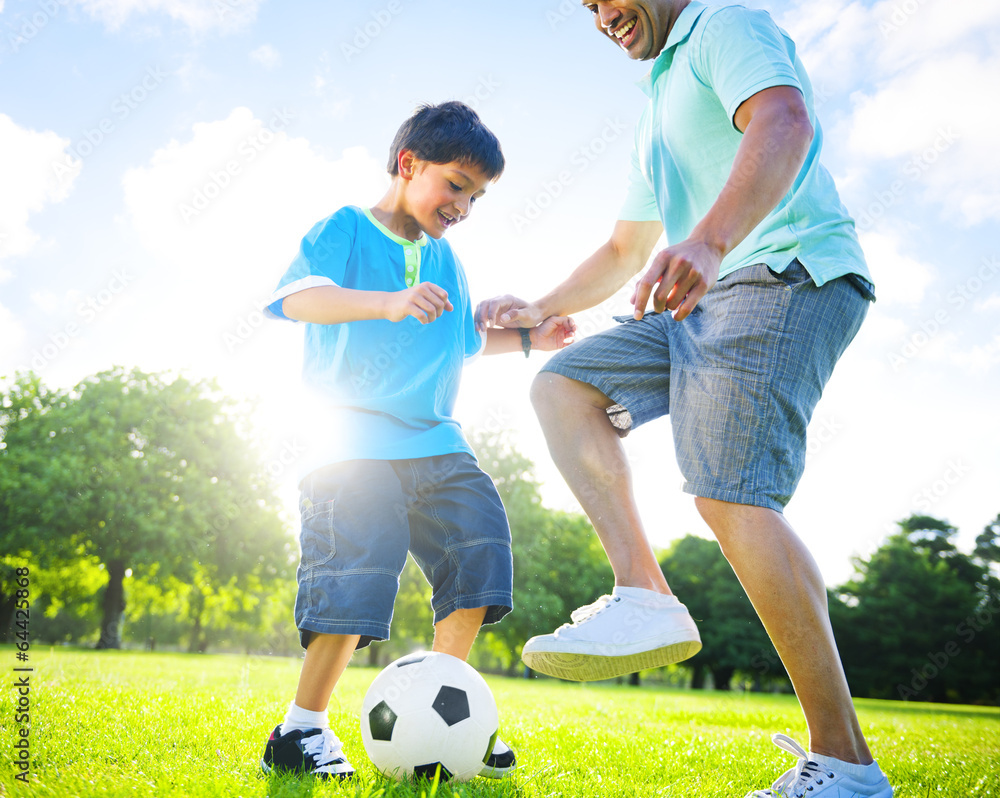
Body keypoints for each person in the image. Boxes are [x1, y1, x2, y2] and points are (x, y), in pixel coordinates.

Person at [476, 2, 892, 797]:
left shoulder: (722, 24)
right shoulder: (657, 98)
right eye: (588, 9)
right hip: (698, 300)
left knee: (730, 495)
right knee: (564, 386)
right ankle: (646, 592)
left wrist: (708, 239)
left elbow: (785, 117)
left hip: (781, 273)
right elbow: (625, 249)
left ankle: (846, 764)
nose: (602, 18)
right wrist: (538, 308)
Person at [259, 100, 575, 780]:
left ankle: (446, 712)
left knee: (480, 552)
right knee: (359, 570)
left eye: (477, 196)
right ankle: (299, 731)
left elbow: (462, 342)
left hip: (435, 442)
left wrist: (530, 339)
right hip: (348, 441)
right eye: (456, 184)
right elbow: (298, 299)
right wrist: (387, 302)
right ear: (407, 164)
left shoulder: (448, 260)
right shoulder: (345, 229)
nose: (464, 204)